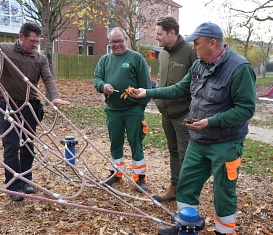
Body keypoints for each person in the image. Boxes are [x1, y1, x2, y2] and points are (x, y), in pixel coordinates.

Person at [130, 22, 256, 235]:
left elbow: (246, 109)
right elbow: (180, 88)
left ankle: (224, 232)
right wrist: (148, 93)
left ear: (212, 43)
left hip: (225, 143)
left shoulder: (239, 68)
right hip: (198, 140)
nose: (194, 47)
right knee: (186, 185)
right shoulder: (199, 64)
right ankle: (186, 227)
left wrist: (211, 121)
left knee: (224, 191)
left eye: (197, 43)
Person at [0, 22, 70, 202]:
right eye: (32, 41)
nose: (35, 44)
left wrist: (55, 97)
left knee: (28, 144)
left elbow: (48, 78)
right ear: (21, 37)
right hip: (8, 105)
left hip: (30, 106)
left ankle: (27, 180)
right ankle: (13, 185)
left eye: (37, 41)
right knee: (11, 144)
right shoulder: (3, 50)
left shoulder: (39, 58)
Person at [93, 27, 151, 191]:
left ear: (126, 39)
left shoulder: (136, 58)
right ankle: (116, 173)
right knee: (115, 143)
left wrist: (140, 107)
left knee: (136, 142)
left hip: (133, 109)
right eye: (113, 42)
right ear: (109, 42)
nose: (117, 44)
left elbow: (146, 86)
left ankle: (140, 177)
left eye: (120, 41)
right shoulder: (105, 60)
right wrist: (103, 86)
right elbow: (97, 79)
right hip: (113, 110)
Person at [153, 16, 198, 202]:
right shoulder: (163, 53)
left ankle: (188, 194)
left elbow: (199, 83)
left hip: (183, 114)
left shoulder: (190, 51)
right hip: (166, 114)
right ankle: (174, 187)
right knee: (173, 151)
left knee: (186, 154)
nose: (157, 38)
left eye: (159, 34)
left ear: (172, 33)